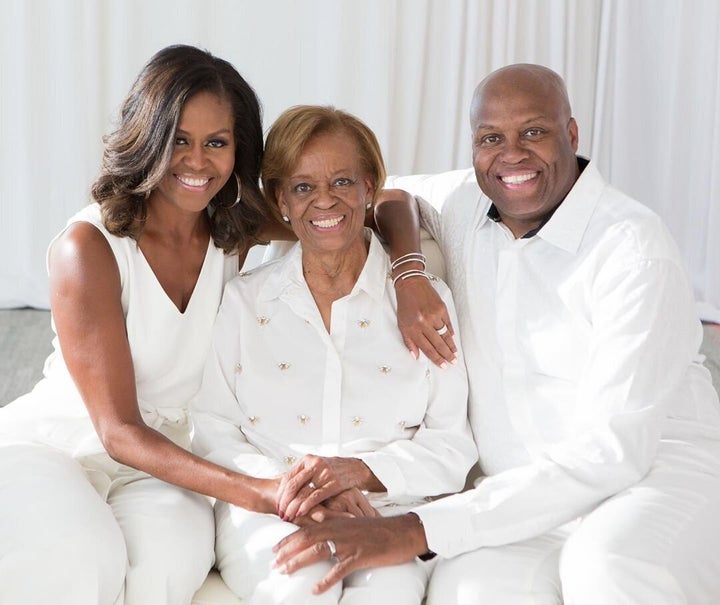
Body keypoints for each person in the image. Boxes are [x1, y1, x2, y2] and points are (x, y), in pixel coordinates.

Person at [0, 46, 455, 605]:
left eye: (216, 142)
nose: (197, 162)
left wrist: (410, 276)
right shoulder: (88, 247)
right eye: (179, 141)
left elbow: (383, 200)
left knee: (170, 562)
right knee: (83, 559)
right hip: (70, 444)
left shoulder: (230, 221)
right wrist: (272, 493)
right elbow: (117, 431)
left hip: (172, 462)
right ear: (148, 137)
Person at [273, 64, 720, 604]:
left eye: (534, 131)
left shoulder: (632, 247)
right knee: (468, 591)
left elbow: (613, 452)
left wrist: (415, 529)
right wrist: (409, 272)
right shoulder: (468, 202)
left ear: (571, 134)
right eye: (491, 138)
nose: (512, 154)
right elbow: (391, 196)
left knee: (605, 565)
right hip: (520, 497)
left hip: (651, 478)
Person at [190, 105, 477, 605]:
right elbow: (211, 428)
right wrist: (292, 489)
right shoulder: (245, 301)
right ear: (280, 199)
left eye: (343, 181)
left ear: (369, 189)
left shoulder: (424, 303)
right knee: (300, 587)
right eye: (302, 187)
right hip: (270, 509)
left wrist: (360, 472)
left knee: (388, 592)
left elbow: (452, 446)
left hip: (388, 511)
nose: (324, 199)